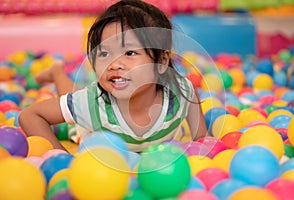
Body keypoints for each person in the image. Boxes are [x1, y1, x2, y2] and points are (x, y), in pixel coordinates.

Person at [19, 0, 207, 152]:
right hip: (94, 130)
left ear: (162, 62)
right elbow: (30, 115)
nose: (114, 64)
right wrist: (64, 161)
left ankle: (57, 71)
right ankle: (57, 71)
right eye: (104, 54)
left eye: (130, 53)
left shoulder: (179, 92)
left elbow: (202, 140)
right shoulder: (91, 103)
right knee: (73, 101)